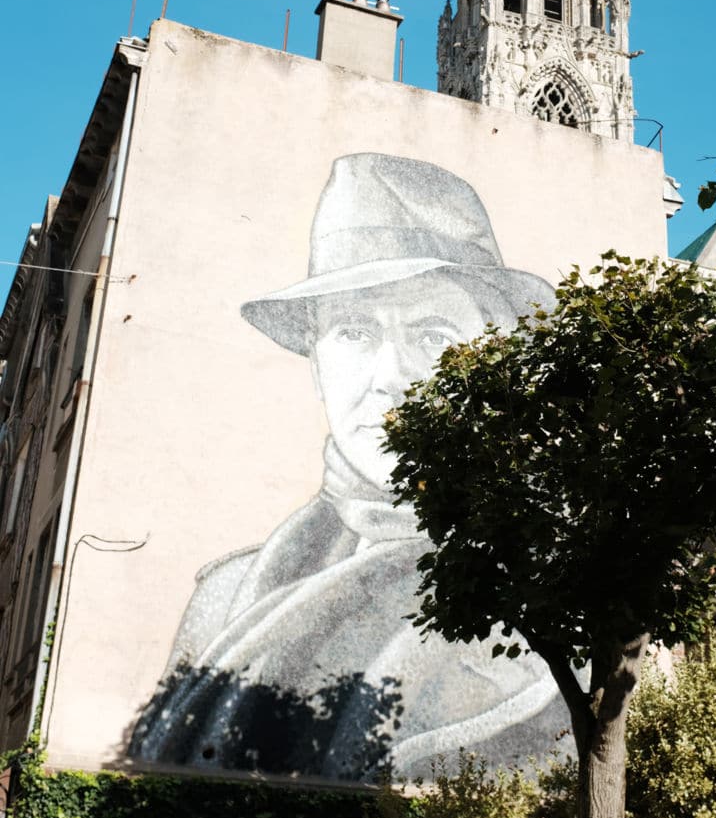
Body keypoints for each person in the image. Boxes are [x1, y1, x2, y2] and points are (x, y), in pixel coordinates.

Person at [131, 153, 567, 780]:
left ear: (494, 365)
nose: (390, 378)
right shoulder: (225, 596)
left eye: (435, 337)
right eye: (356, 332)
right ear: (316, 365)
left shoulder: (555, 587)